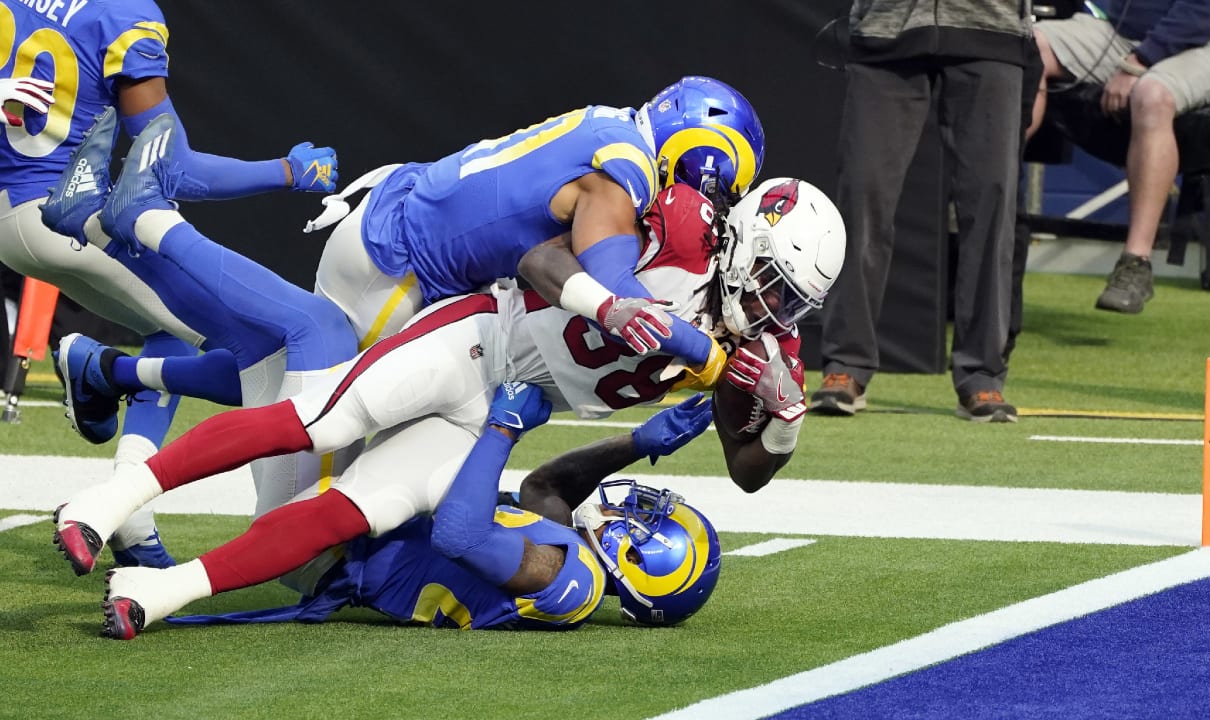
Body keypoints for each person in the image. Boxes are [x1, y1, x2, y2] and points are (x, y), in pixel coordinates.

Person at [51, 177, 843, 608]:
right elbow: (538, 261)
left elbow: (745, 466)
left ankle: (165, 593)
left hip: (507, 405)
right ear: (746, 242)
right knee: (320, 423)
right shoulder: (681, 230)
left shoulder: (765, 341)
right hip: (477, 338)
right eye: (773, 285)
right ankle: (110, 500)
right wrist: (617, 306)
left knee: (359, 509)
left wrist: (784, 425)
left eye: (791, 303)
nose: (774, 310)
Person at [0, 0, 337, 566]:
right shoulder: (121, 17)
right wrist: (284, 171)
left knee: (169, 330)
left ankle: (129, 512)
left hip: (13, 217)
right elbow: (174, 168)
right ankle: (298, 550)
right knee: (271, 352)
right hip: (64, 214)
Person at [115, 383, 720, 637]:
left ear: (644, 556)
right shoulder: (576, 561)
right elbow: (548, 487)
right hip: (348, 530)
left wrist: (503, 429)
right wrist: (639, 443)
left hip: (325, 550)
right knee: (339, 372)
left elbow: (459, 533)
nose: (638, 508)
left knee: (315, 343)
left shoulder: (572, 581)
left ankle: (141, 377)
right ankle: (137, 377)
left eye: (651, 519)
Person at [303, 75, 764, 379]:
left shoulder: (614, 126)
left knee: (291, 375)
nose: (714, 204)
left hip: (407, 225)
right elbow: (614, 294)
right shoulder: (627, 171)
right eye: (722, 190)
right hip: (398, 264)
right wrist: (706, 352)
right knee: (320, 415)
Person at [47, 110, 359, 521]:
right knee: (296, 345)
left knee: (291, 339)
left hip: (38, 205)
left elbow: (178, 165)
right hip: (322, 528)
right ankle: (124, 500)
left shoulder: (119, 47)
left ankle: (121, 502)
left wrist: (285, 171)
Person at [810, 0, 1032, 423]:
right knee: (863, 192)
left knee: (991, 202)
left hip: (992, 25)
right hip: (885, 26)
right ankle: (845, 364)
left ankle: (982, 370)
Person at [1027, 1, 1210, 314]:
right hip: (1129, 35)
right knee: (1022, 50)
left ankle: (1135, 263)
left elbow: (1206, 11)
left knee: (1151, 94)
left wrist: (1140, 61)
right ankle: (982, 213)